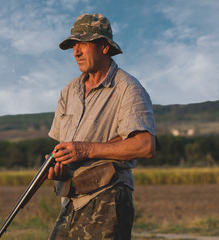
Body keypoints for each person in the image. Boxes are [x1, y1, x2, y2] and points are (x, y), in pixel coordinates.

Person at [47, 13, 156, 239]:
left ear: (104, 47)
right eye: (74, 45)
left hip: (109, 197)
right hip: (72, 199)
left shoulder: (128, 88)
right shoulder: (69, 91)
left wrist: (84, 150)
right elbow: (65, 147)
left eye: (83, 44)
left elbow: (145, 145)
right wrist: (59, 168)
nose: (76, 52)